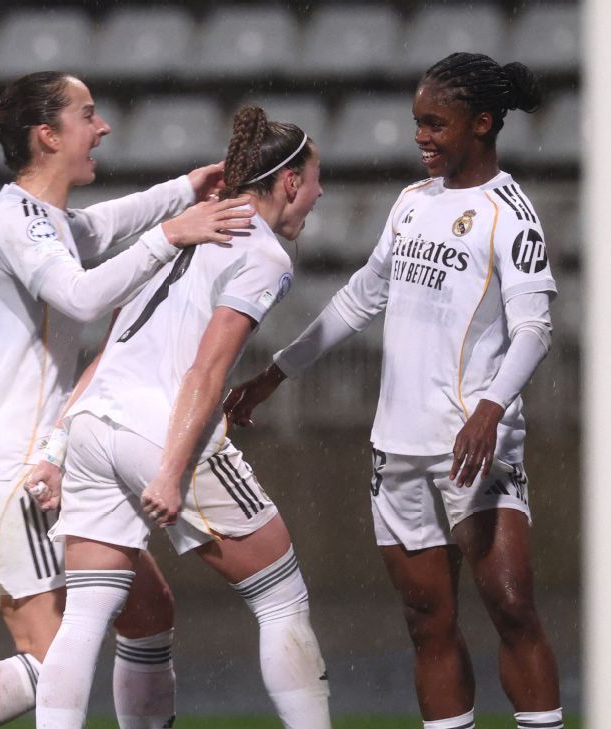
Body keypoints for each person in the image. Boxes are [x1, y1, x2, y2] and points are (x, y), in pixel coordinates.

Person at [0, 70, 254, 729]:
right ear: (48, 135)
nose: (103, 126)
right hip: (16, 469)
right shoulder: (19, 224)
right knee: (50, 661)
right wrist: (175, 231)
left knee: (147, 612)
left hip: (54, 462)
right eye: (88, 115)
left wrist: (183, 192)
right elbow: (82, 294)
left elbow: (101, 225)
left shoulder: (41, 219)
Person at [224, 53, 564, 729]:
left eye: (435, 123)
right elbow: (361, 298)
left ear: (483, 123)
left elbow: (534, 326)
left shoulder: (511, 214)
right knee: (426, 622)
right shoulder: (412, 202)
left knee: (512, 607)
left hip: (472, 444)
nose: (421, 137)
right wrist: (275, 372)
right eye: (417, 123)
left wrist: (491, 409)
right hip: (397, 451)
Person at [24, 105, 331, 729]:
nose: (319, 194)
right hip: (161, 432)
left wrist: (55, 450)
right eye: (317, 180)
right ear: (291, 181)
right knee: (280, 598)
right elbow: (206, 372)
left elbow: (113, 349)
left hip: (92, 428)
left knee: (86, 618)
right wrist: (167, 472)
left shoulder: (181, 227)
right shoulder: (265, 254)